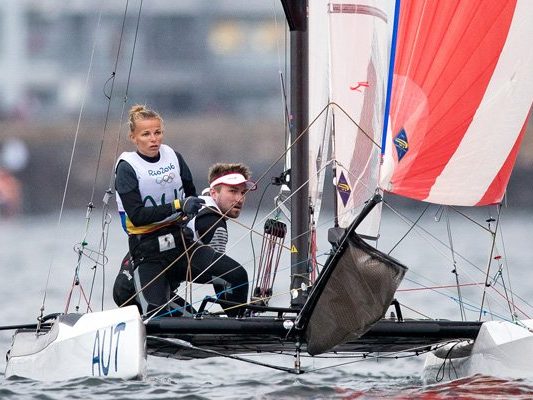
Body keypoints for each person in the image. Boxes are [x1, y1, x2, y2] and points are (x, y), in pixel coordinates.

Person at [113, 105, 249, 317]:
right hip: (147, 253)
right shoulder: (127, 168)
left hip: (180, 245)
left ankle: (241, 324)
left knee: (236, 274)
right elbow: (138, 217)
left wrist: (190, 211)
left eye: (157, 132)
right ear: (133, 137)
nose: (153, 139)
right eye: (146, 134)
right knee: (156, 313)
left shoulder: (173, 157)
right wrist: (178, 206)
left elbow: (191, 196)